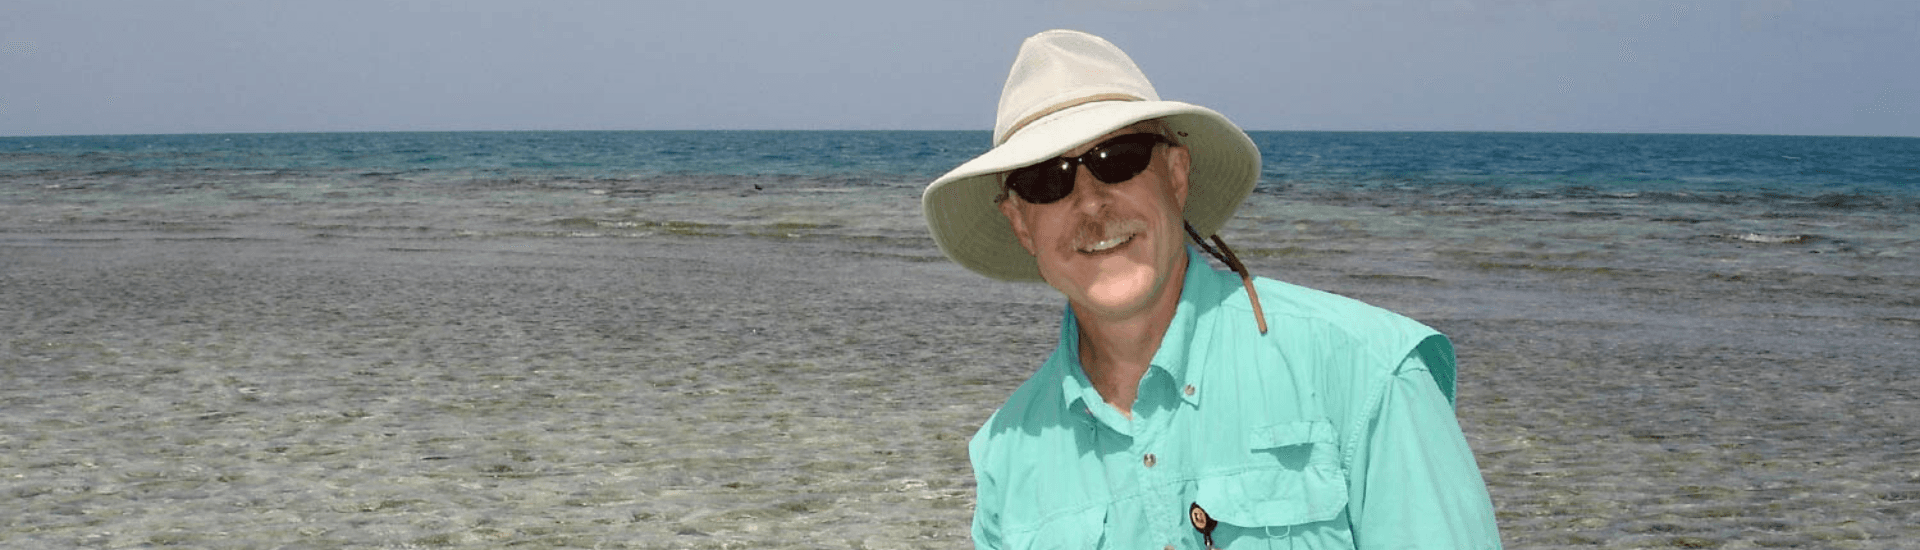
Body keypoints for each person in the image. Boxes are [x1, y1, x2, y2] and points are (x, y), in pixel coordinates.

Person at [921, 30, 1502, 549]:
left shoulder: (1370, 373)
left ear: (1176, 175)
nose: (1091, 202)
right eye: (1047, 179)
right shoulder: (1005, 453)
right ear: (1021, 223)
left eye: (1117, 158)